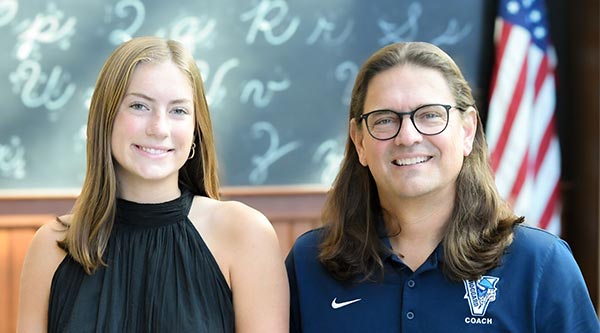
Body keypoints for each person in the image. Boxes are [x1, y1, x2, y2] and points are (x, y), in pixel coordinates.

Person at [285, 42, 599, 332]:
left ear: (467, 130)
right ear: (359, 141)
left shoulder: (540, 264)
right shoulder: (309, 263)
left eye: (430, 115)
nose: (407, 136)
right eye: (384, 120)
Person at [17, 36, 289, 332]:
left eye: (178, 110)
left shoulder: (245, 233)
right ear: (104, 119)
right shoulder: (52, 246)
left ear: (196, 131)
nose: (159, 128)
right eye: (139, 106)